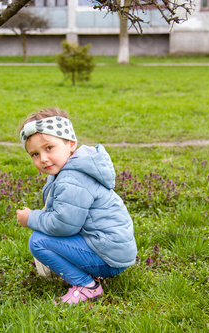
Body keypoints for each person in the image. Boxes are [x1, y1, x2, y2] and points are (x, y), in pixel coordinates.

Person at [16, 108, 137, 304]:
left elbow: (64, 225)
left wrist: (31, 218)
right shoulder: (71, 169)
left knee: (38, 241)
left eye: (49, 148)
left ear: (71, 144)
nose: (43, 159)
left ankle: (87, 286)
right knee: (47, 240)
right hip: (112, 249)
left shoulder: (72, 178)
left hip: (108, 256)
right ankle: (90, 273)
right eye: (35, 154)